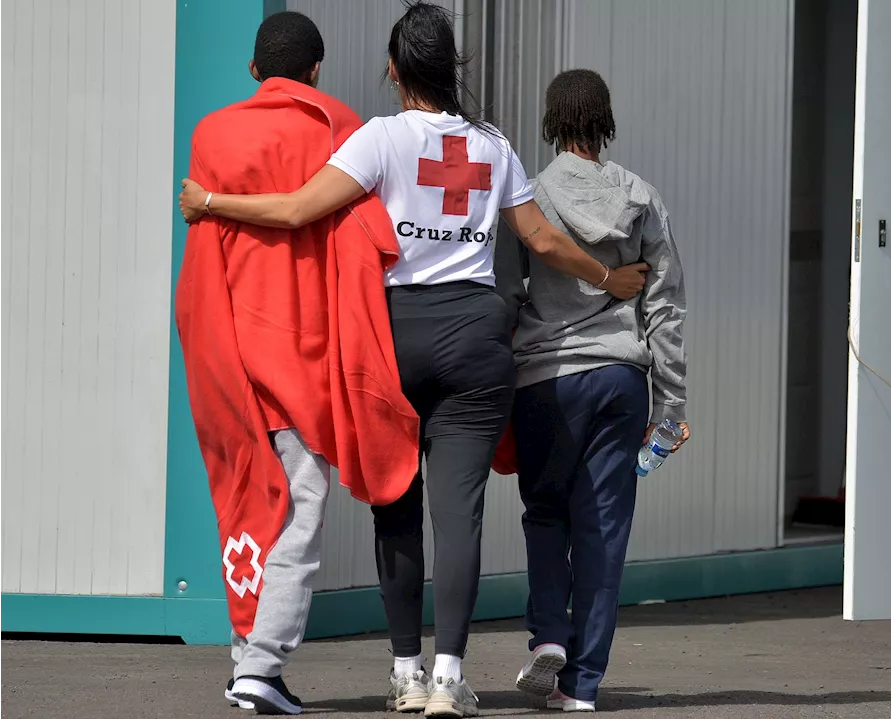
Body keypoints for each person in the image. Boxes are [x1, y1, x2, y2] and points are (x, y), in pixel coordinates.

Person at [178, 4, 649, 717]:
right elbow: (544, 242)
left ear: (394, 71)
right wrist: (609, 278)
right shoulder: (492, 145)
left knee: (395, 506)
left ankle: (404, 670)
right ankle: (449, 678)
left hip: (391, 340)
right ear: (449, 66)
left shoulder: (378, 139)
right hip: (475, 338)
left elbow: (299, 209)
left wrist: (211, 200)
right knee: (458, 515)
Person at [174, 11, 420, 716]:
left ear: (255, 71)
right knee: (299, 506)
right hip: (306, 350)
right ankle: (260, 664)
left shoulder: (212, 133)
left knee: (249, 496)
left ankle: (244, 653)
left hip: (230, 345)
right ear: (315, 71)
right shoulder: (342, 126)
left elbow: (203, 254)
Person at [499, 69, 690, 713]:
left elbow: (505, 292)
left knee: (546, 512)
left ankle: (549, 635)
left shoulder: (530, 197)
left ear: (552, 121)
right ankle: (581, 688)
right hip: (619, 378)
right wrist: (671, 406)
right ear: (605, 119)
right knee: (604, 528)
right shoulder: (639, 195)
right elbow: (665, 308)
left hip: (547, 380)